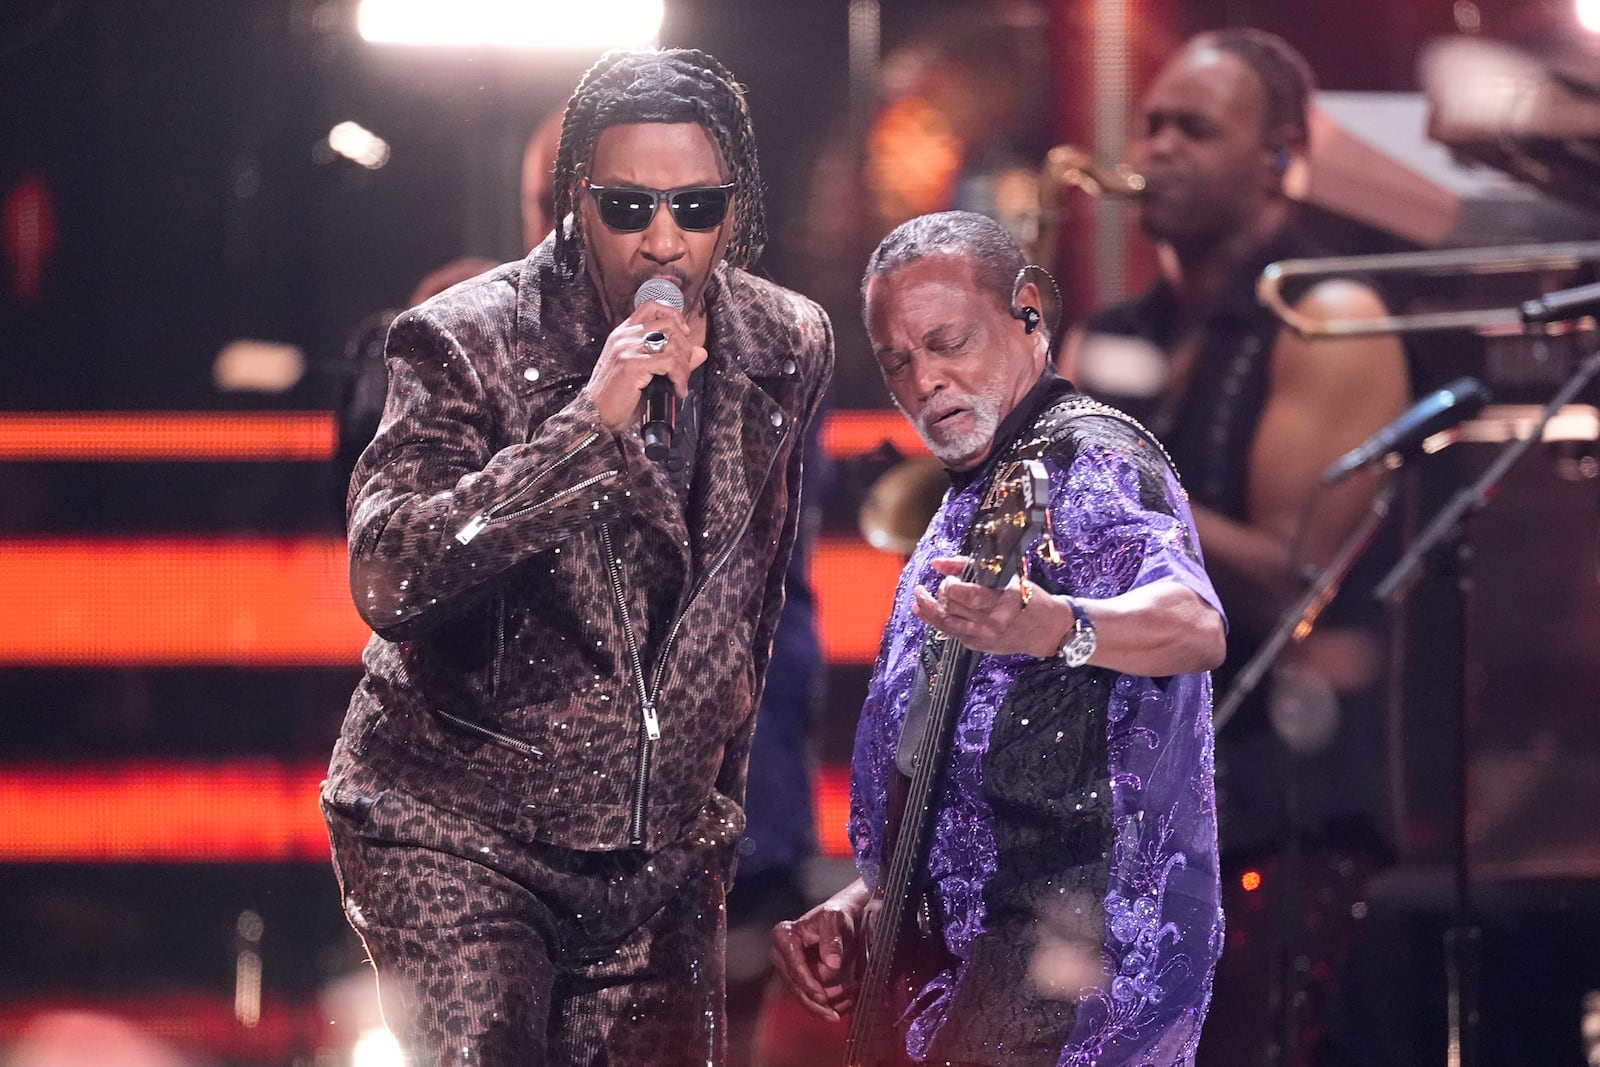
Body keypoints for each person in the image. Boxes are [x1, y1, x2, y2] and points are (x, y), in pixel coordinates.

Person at [319, 47, 833, 1066]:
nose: (662, 239)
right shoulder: (461, 337)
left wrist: (713, 820)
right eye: (627, 205)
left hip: (656, 857)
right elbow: (389, 571)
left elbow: (750, 598)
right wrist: (583, 431)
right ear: (573, 204)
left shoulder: (787, 339)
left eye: (695, 207)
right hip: (461, 830)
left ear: (736, 209)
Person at [770, 210, 1227, 1066]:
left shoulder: (1087, 459)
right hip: (971, 973)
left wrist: (1062, 624)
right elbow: (971, 781)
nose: (926, 381)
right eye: (899, 361)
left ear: (1028, 312)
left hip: (1066, 972)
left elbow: (1195, 625)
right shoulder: (967, 500)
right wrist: (870, 899)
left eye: (949, 342)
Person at [1063, 29, 1412, 1067]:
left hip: (1279, 821)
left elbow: (1290, 578)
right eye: (1154, 123)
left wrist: (1092, 466)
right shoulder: (1112, 334)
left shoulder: (1328, 317)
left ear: (1279, 155)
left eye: (1195, 128)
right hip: (1131, 820)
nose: (1158, 146)